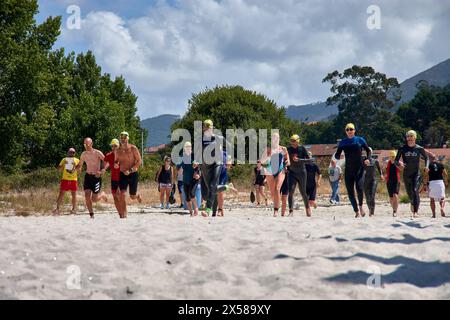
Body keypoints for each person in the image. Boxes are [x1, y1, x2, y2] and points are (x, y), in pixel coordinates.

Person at [334, 123, 372, 218]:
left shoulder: (360, 140)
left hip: (359, 169)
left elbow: (368, 150)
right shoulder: (343, 142)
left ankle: (361, 207)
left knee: (359, 189)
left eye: (351, 129)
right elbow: (336, 155)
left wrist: (368, 159)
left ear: (354, 130)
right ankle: (356, 211)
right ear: (345, 132)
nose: (349, 131)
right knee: (350, 192)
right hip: (348, 170)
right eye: (347, 130)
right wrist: (340, 156)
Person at [394, 130, 429, 218]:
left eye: (411, 136)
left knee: (415, 190)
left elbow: (426, 158)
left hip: (416, 173)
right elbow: (395, 160)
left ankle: (416, 212)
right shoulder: (402, 148)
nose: (409, 138)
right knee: (410, 193)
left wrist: (427, 166)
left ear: (415, 137)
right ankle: (413, 202)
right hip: (406, 174)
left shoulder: (419, 148)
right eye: (408, 136)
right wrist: (399, 164)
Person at [260, 132, 290, 217]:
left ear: (279, 139)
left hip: (280, 171)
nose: (275, 139)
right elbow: (262, 161)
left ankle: (276, 210)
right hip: (269, 171)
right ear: (271, 139)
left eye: (277, 138)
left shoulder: (283, 149)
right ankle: (277, 202)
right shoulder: (268, 149)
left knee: (277, 189)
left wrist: (287, 162)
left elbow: (287, 160)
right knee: (273, 193)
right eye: (274, 138)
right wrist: (267, 155)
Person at [76, 138, 107, 218]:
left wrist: (103, 169)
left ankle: (102, 195)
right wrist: (76, 168)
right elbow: (80, 164)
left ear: (91, 144)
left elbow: (107, 161)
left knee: (94, 199)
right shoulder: (83, 154)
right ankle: (91, 214)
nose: (86, 146)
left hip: (96, 177)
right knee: (87, 195)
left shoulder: (97, 153)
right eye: (85, 144)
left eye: (87, 144)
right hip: (88, 177)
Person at [114, 131, 143, 218]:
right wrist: (116, 164)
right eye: (121, 138)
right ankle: (124, 213)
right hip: (122, 174)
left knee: (132, 196)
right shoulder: (117, 150)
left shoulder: (133, 148)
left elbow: (139, 161)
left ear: (128, 138)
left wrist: (130, 170)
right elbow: (116, 161)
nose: (123, 139)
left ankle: (137, 195)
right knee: (122, 194)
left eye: (125, 138)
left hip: (133, 174)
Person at [200, 119, 224, 217]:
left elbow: (229, 147)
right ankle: (214, 213)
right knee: (208, 193)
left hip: (217, 164)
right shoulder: (200, 140)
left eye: (209, 128)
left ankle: (208, 210)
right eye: (206, 128)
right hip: (205, 167)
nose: (208, 130)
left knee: (212, 186)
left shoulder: (218, 138)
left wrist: (230, 158)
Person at [286, 134, 311, 216]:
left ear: (298, 141)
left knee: (303, 192)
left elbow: (309, 160)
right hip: (292, 172)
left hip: (302, 173)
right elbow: (284, 158)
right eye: (291, 141)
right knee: (291, 192)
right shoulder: (288, 149)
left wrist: (299, 159)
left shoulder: (302, 148)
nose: (292, 143)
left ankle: (307, 208)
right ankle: (290, 211)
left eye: (294, 141)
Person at [179, 142, 203, 217]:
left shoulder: (194, 156)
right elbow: (178, 168)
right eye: (186, 147)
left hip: (194, 179)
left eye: (189, 147)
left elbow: (199, 165)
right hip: (185, 179)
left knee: (192, 194)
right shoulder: (182, 157)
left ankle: (196, 209)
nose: (188, 149)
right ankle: (190, 212)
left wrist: (198, 173)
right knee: (187, 198)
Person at [53, 147, 80, 215]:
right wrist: (64, 164)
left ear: (75, 153)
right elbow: (58, 169)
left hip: (73, 179)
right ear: (68, 152)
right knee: (61, 194)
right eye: (70, 152)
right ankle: (57, 209)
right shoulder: (64, 159)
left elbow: (80, 170)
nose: (72, 153)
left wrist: (75, 165)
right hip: (65, 179)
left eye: (73, 152)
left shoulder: (77, 160)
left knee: (74, 195)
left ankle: (73, 209)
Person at [424, 154, 447, 218]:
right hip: (440, 182)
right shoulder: (441, 165)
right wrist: (446, 182)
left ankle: (434, 214)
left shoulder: (428, 165)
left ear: (430, 159)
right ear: (436, 158)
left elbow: (426, 175)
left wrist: (425, 184)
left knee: (432, 199)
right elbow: (445, 174)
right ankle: (442, 208)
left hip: (432, 183)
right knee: (442, 198)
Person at [363, 149, 384, 217]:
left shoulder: (375, 161)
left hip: (373, 180)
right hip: (365, 181)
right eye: (367, 152)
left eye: (369, 152)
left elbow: (379, 169)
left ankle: (372, 212)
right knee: (367, 197)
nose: (368, 153)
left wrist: (381, 174)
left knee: (372, 196)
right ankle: (370, 209)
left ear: (371, 153)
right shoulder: (363, 160)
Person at [103, 139, 121, 216]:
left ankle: (123, 212)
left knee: (118, 194)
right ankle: (120, 213)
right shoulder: (109, 155)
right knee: (114, 197)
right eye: (112, 146)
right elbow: (106, 162)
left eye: (115, 146)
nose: (114, 147)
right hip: (113, 178)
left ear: (119, 146)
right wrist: (104, 169)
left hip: (122, 178)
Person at [385, 150, 401, 216]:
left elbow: (401, 168)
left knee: (395, 195)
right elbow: (386, 171)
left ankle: (395, 211)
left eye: (393, 156)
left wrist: (396, 164)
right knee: (391, 198)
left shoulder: (398, 162)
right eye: (391, 157)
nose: (392, 158)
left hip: (396, 180)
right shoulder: (387, 163)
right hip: (389, 181)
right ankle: (394, 209)